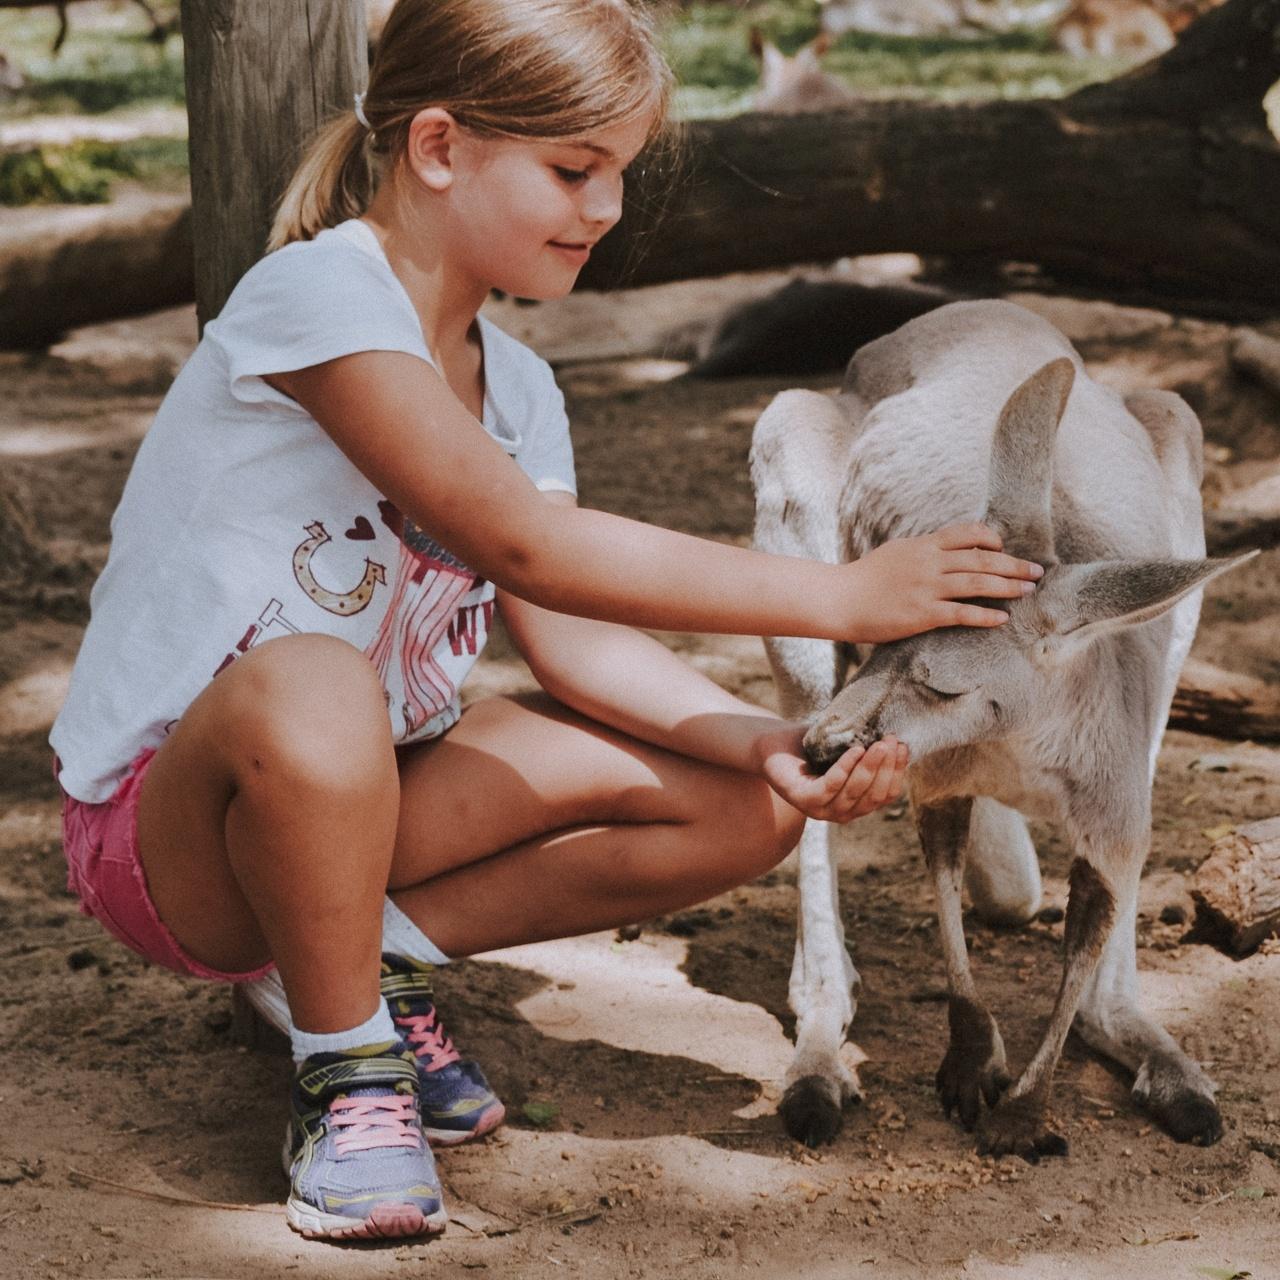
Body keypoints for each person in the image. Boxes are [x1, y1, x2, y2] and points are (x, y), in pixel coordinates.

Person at [49, 0, 1044, 1244]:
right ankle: (346, 1061)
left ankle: (358, 962)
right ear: (439, 148)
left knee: (750, 801)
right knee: (309, 678)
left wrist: (768, 742)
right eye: (574, 171)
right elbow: (530, 546)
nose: (606, 209)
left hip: (368, 801)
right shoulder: (317, 297)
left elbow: (569, 639)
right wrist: (838, 595)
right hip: (173, 838)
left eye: (617, 175)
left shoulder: (517, 386)